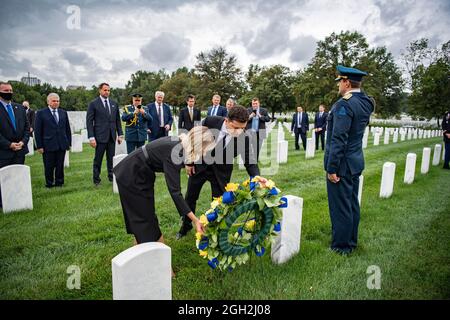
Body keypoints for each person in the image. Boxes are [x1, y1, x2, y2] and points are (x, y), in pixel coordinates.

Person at [113, 126, 214, 246]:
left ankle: (144, 254)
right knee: (144, 219)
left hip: (141, 172)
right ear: (198, 145)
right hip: (133, 173)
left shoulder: (181, 144)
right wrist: (195, 220)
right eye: (205, 149)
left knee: (146, 217)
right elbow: (175, 192)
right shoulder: (175, 153)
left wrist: (189, 163)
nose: (205, 153)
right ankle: (156, 257)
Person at [178, 106, 260, 239]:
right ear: (226, 120)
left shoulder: (243, 137)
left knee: (218, 203)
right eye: (235, 127)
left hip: (221, 172)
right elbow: (193, 139)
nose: (239, 132)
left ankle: (213, 231)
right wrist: (189, 161)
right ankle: (185, 226)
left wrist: (257, 178)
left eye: (242, 128)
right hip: (200, 166)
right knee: (190, 197)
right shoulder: (210, 121)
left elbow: (250, 161)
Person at [324, 65, 374, 255]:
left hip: (343, 165)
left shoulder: (344, 104)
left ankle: (342, 246)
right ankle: (351, 241)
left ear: (346, 82)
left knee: (341, 207)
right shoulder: (366, 102)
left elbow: (339, 139)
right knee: (352, 204)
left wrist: (332, 168)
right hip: (355, 161)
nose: (338, 85)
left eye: (340, 81)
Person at [86, 83, 124, 186]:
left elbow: (117, 121)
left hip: (112, 136)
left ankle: (112, 177)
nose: (107, 92)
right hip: (99, 137)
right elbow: (89, 121)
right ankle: (96, 179)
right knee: (98, 159)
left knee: (111, 159)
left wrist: (120, 134)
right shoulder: (93, 104)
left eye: (108, 90)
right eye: (105, 90)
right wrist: (91, 137)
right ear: (100, 91)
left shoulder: (114, 103)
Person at [0, 82, 30, 207]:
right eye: (5, 90)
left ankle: (18, 200)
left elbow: (27, 128)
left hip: (20, 149)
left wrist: (23, 141)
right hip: (3, 151)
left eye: (10, 90)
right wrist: (9, 144)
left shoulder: (19, 108)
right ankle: (3, 202)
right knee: (3, 179)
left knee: (17, 177)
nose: (9, 92)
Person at [34, 93, 72, 188]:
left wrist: (69, 143)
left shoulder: (63, 112)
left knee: (60, 165)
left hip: (61, 144)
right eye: (54, 101)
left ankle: (59, 182)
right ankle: (49, 183)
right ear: (48, 102)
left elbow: (67, 129)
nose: (56, 103)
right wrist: (39, 146)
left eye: (58, 101)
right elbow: (38, 131)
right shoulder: (41, 113)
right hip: (48, 144)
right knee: (49, 166)